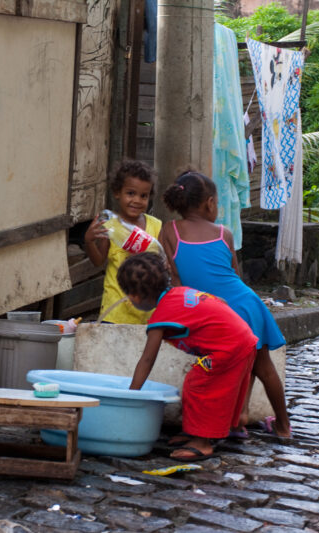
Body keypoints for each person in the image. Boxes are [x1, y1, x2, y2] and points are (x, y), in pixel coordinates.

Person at [160, 169, 292, 438]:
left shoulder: (169, 231)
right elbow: (235, 275)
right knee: (262, 367)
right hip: (244, 304)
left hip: (209, 312)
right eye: (217, 202)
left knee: (220, 369)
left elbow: (175, 281)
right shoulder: (224, 233)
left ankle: (235, 420)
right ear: (209, 203)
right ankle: (282, 425)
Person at [118, 253, 258, 460]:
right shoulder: (181, 293)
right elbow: (220, 301)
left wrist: (131, 396)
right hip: (244, 338)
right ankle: (230, 425)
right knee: (225, 386)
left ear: (135, 296)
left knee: (197, 383)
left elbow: (147, 360)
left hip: (228, 348)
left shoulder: (162, 316)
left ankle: (202, 443)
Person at [84, 160, 162, 324]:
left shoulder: (155, 225)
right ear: (117, 192)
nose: (137, 200)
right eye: (131, 193)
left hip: (147, 312)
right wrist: (89, 241)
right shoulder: (111, 225)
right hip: (115, 310)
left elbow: (163, 262)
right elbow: (98, 261)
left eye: (143, 196)